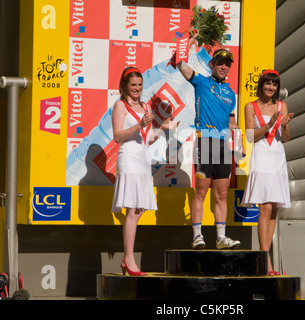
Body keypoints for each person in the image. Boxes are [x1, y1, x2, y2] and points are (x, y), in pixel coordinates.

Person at [177, 33, 241, 250]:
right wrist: (189, 42)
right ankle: (197, 235)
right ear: (212, 64)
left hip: (224, 147)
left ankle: (221, 237)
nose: (223, 67)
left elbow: (232, 123)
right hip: (205, 143)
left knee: (222, 193)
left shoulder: (231, 94)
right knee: (201, 192)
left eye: (227, 64)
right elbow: (180, 63)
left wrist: (238, 147)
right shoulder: (202, 82)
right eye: (220, 63)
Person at [111, 66, 177, 275]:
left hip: (142, 158)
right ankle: (128, 259)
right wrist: (139, 124)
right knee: (132, 209)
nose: (137, 88)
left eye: (140, 85)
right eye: (133, 85)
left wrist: (162, 128)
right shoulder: (120, 105)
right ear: (125, 86)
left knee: (138, 210)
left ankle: (128, 258)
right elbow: (118, 137)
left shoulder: (145, 106)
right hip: (129, 158)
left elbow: (148, 139)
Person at [241, 69, 294, 275]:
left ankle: (267, 258)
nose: (271, 88)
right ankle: (266, 260)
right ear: (261, 85)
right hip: (262, 157)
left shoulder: (282, 106)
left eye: (274, 84)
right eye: (267, 84)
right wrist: (270, 124)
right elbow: (250, 137)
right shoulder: (250, 106)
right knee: (264, 208)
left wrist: (285, 126)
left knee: (274, 209)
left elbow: (286, 138)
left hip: (277, 158)